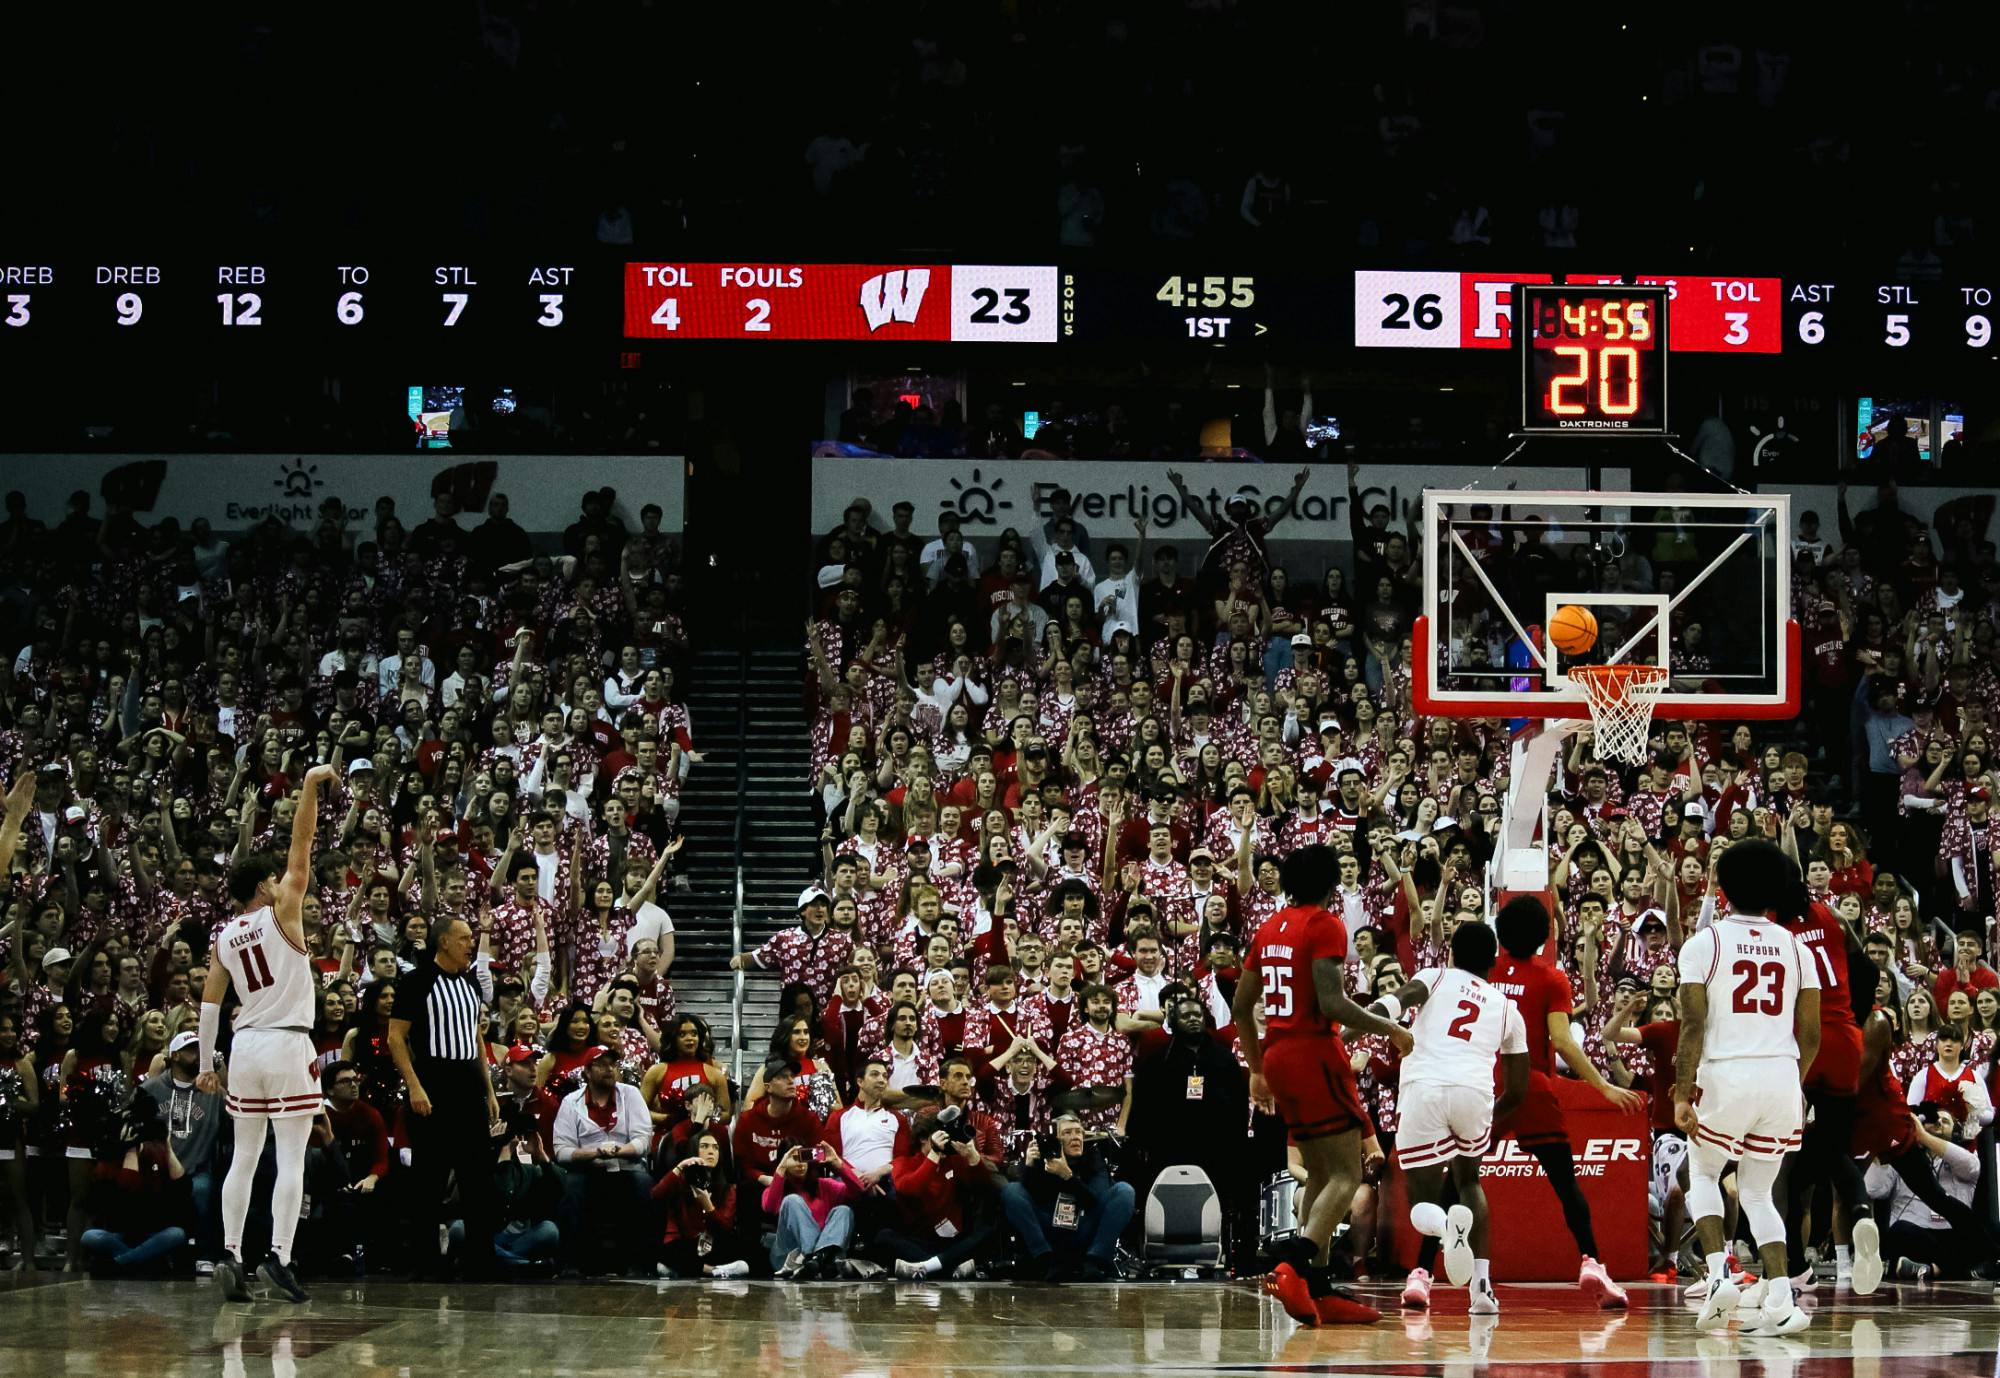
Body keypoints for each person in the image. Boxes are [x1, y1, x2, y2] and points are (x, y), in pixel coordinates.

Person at [1231, 843, 1410, 1326]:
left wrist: (1255, 1069)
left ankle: (1319, 1287)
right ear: (1333, 885)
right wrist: (1389, 1027)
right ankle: (1294, 1261)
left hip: (1279, 1056)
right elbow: (1332, 1004)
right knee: (1346, 1176)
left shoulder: (1270, 927)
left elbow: (1240, 1006)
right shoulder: (1325, 924)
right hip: (1315, 1053)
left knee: (1318, 1168)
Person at [196, 759, 339, 1305]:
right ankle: (279, 1256)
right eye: (275, 879)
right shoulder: (284, 910)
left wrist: (209, 1065)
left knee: (243, 1159)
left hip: (245, 1045)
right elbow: (302, 845)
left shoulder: (225, 936)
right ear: (263, 886)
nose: (285, 881)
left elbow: (211, 1003)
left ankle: (230, 1252)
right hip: (287, 1041)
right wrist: (307, 786)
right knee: (292, 1158)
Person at [1678, 839, 1823, 1337]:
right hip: (1783, 1075)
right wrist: (1793, 1083)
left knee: (1701, 1173)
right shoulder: (1798, 947)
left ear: (1721, 890)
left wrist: (1681, 1092)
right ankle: (1781, 1298)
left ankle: (1719, 1272)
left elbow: (1692, 1025)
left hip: (1726, 1072)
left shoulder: (1704, 945)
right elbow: (1811, 1033)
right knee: (1761, 1192)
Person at [1479, 895, 1640, 1309]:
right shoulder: (1551, 978)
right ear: (1544, 935)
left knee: (1458, 1181)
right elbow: (1564, 1041)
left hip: (1484, 1083)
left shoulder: (1481, 973)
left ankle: (1422, 1276)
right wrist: (1602, 1086)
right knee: (1565, 1184)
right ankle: (1592, 1262)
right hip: (1529, 1084)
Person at [1370, 920, 1527, 1316]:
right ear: (1493, 961)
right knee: (1470, 1182)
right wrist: (1488, 1119)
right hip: (1475, 1094)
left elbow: (1395, 1002)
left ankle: (1445, 1231)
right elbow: (1519, 1091)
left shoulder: (1435, 976)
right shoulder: (1508, 1009)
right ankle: (1482, 1291)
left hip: (1426, 1087)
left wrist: (1365, 1022)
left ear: (1452, 953)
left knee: (1422, 1199)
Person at [389, 915, 504, 1281]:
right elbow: (396, 1037)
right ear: (443, 943)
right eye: (465, 938)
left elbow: (476, 1040)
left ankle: (480, 1261)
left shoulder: (469, 982)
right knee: (430, 1178)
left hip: (468, 1081)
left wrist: (487, 1089)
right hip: (434, 1081)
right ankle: (425, 1263)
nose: (471, 943)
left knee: (478, 1178)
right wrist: (415, 1085)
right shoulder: (416, 981)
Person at [551, 1045, 656, 1275]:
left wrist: (619, 1150)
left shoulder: (631, 1094)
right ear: (587, 1071)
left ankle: (639, 1265)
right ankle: (570, 1264)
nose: (609, 1069)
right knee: (571, 1187)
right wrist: (596, 1153)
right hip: (588, 1169)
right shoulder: (571, 1102)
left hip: (626, 1166)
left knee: (643, 1184)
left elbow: (643, 1141)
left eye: (612, 1064)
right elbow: (562, 1151)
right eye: (602, 1065)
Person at [1001, 1111, 1136, 1281]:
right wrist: (1029, 1167)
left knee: (1124, 1190)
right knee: (1011, 1191)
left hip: (1083, 1227)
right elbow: (1031, 1199)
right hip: (1050, 1231)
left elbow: (1095, 1200)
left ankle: (1095, 1261)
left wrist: (1067, 1176)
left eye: (1078, 1132)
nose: (1075, 1137)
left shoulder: (1093, 1156)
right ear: (1055, 1138)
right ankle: (1044, 1259)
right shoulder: (1042, 1157)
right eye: (1067, 1133)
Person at [140, 1031, 224, 1265]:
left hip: (197, 1170)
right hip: (157, 1170)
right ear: (174, 1055)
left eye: (200, 1049)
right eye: (191, 1050)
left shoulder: (214, 1092)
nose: (198, 1054)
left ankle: (205, 1255)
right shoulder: (150, 1089)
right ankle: (156, 1252)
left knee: (202, 1189)